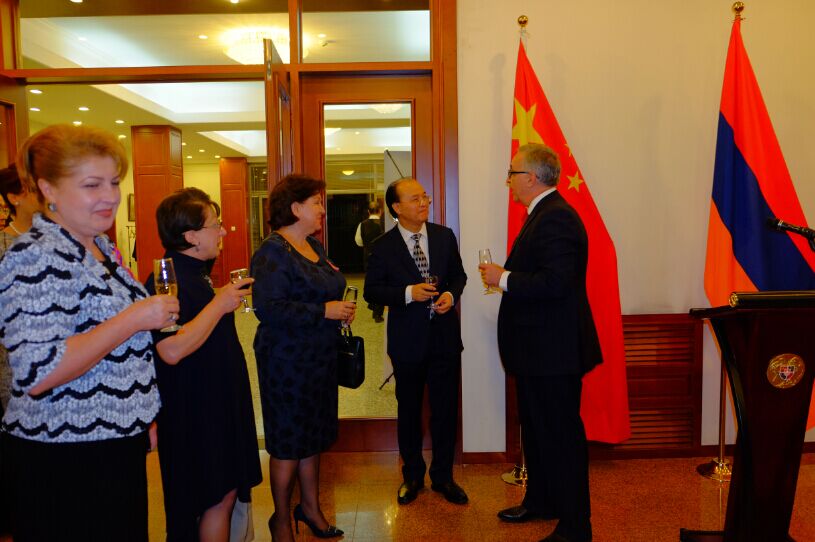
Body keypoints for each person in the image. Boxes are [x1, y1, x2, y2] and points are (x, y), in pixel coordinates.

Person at [0, 124, 178, 541]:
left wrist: (140, 414)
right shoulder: (35, 256)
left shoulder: (100, 247)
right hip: (63, 456)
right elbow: (39, 372)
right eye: (92, 184)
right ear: (49, 189)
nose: (111, 196)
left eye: (114, 182)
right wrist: (133, 318)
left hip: (111, 443)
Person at [480, 143, 602, 542]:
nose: (508, 181)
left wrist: (503, 278)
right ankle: (542, 500)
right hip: (537, 353)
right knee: (536, 432)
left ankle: (576, 525)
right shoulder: (542, 214)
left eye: (512, 174)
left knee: (560, 438)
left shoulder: (557, 217)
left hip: (553, 354)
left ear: (531, 178)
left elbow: (555, 283)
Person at [145, 188, 262, 542]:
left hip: (215, 400)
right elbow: (171, 349)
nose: (223, 231)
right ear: (191, 236)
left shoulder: (196, 271)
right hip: (195, 409)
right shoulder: (167, 278)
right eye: (216, 225)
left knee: (225, 491)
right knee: (214, 495)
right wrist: (220, 304)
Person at [251, 174, 355, 542]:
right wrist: (324, 311)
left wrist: (339, 310)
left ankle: (310, 509)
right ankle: (280, 520)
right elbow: (268, 308)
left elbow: (325, 289)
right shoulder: (272, 252)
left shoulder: (313, 246)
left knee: (313, 437)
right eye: (316, 203)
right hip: (286, 363)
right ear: (296, 208)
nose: (323, 210)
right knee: (288, 442)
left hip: (319, 359)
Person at [363, 177, 468, 506]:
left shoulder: (444, 236)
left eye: (425, 196)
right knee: (409, 411)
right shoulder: (383, 246)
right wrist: (409, 293)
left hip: (444, 339)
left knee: (445, 411)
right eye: (415, 198)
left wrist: (451, 295)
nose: (424, 203)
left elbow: (459, 276)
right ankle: (412, 476)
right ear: (396, 207)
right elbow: (372, 291)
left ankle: (443, 476)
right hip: (407, 342)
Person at [0, 164, 41, 414]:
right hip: (16, 364)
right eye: (33, 189)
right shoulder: (4, 246)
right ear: (14, 197)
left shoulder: (62, 240)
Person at [354, 200, 385, 322]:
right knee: (382, 284)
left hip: (368, 257)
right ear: (380, 211)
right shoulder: (384, 224)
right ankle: (377, 311)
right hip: (383, 258)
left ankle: (374, 306)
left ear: (368, 211)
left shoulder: (362, 224)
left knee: (372, 282)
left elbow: (358, 242)